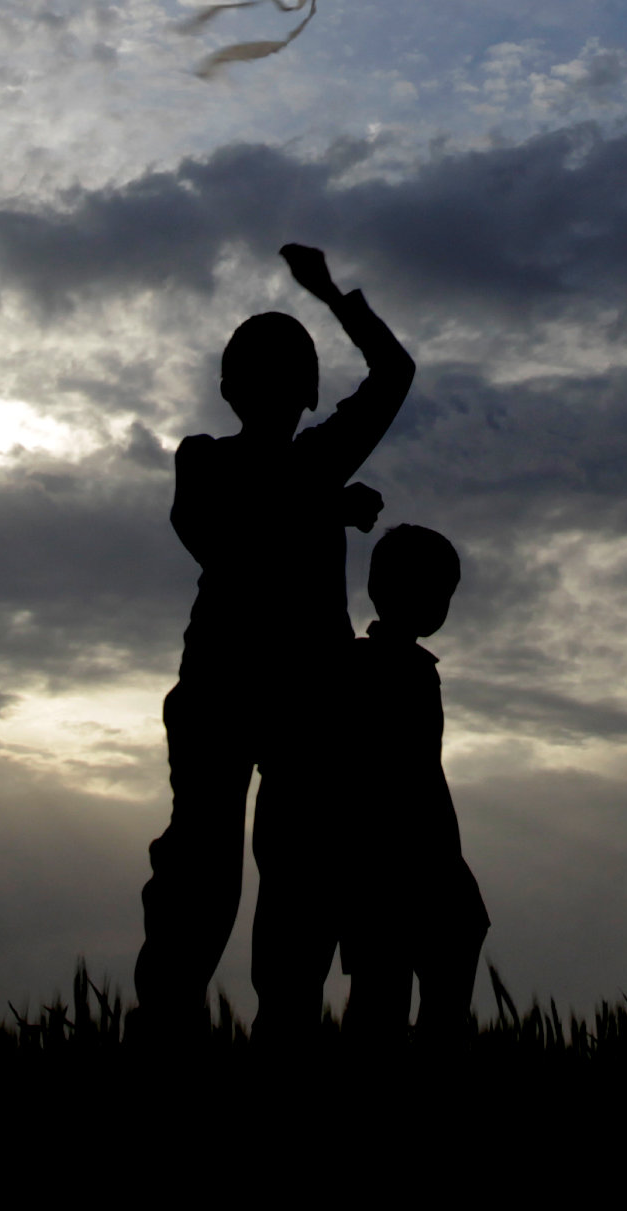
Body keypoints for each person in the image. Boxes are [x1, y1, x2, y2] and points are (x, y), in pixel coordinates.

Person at [132, 242, 410, 1044]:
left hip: (302, 696)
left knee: (297, 873)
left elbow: (394, 374)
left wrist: (330, 292)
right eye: (267, 374)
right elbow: (222, 538)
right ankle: (168, 1023)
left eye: (286, 375)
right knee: (204, 867)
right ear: (234, 388)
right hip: (229, 689)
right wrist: (325, 506)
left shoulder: (317, 463)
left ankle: (278, 1029)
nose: (277, 391)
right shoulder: (209, 460)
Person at [336, 523, 490, 1045]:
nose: (438, 603)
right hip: (393, 859)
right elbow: (399, 775)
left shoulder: (402, 667)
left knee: (400, 983)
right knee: (384, 993)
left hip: (413, 856)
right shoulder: (374, 668)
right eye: (434, 589)